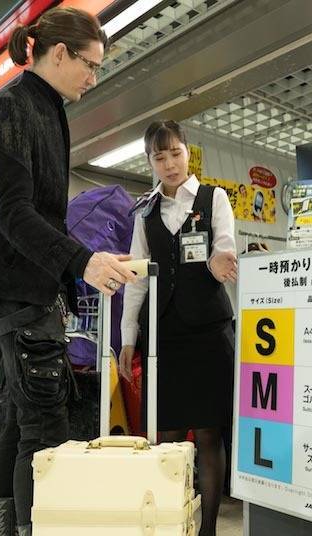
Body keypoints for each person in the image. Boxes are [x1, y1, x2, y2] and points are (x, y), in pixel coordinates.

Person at [0, 8, 136, 536]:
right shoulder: (12, 109)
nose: (93, 78)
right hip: (18, 294)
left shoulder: (50, 112)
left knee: (23, 419)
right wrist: (81, 260)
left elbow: (45, 214)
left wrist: (78, 269)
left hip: (31, 292)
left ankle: (4, 524)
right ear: (60, 53)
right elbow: (12, 211)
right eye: (89, 65)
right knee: (45, 431)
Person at [120, 120, 237, 536]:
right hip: (163, 335)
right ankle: (169, 522)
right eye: (159, 156)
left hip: (208, 332)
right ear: (150, 161)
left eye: (175, 153)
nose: (168, 163)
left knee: (208, 434)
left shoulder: (214, 197)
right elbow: (135, 278)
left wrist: (218, 262)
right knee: (165, 435)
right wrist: (127, 338)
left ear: (188, 152)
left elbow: (225, 247)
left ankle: (207, 530)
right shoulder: (145, 209)